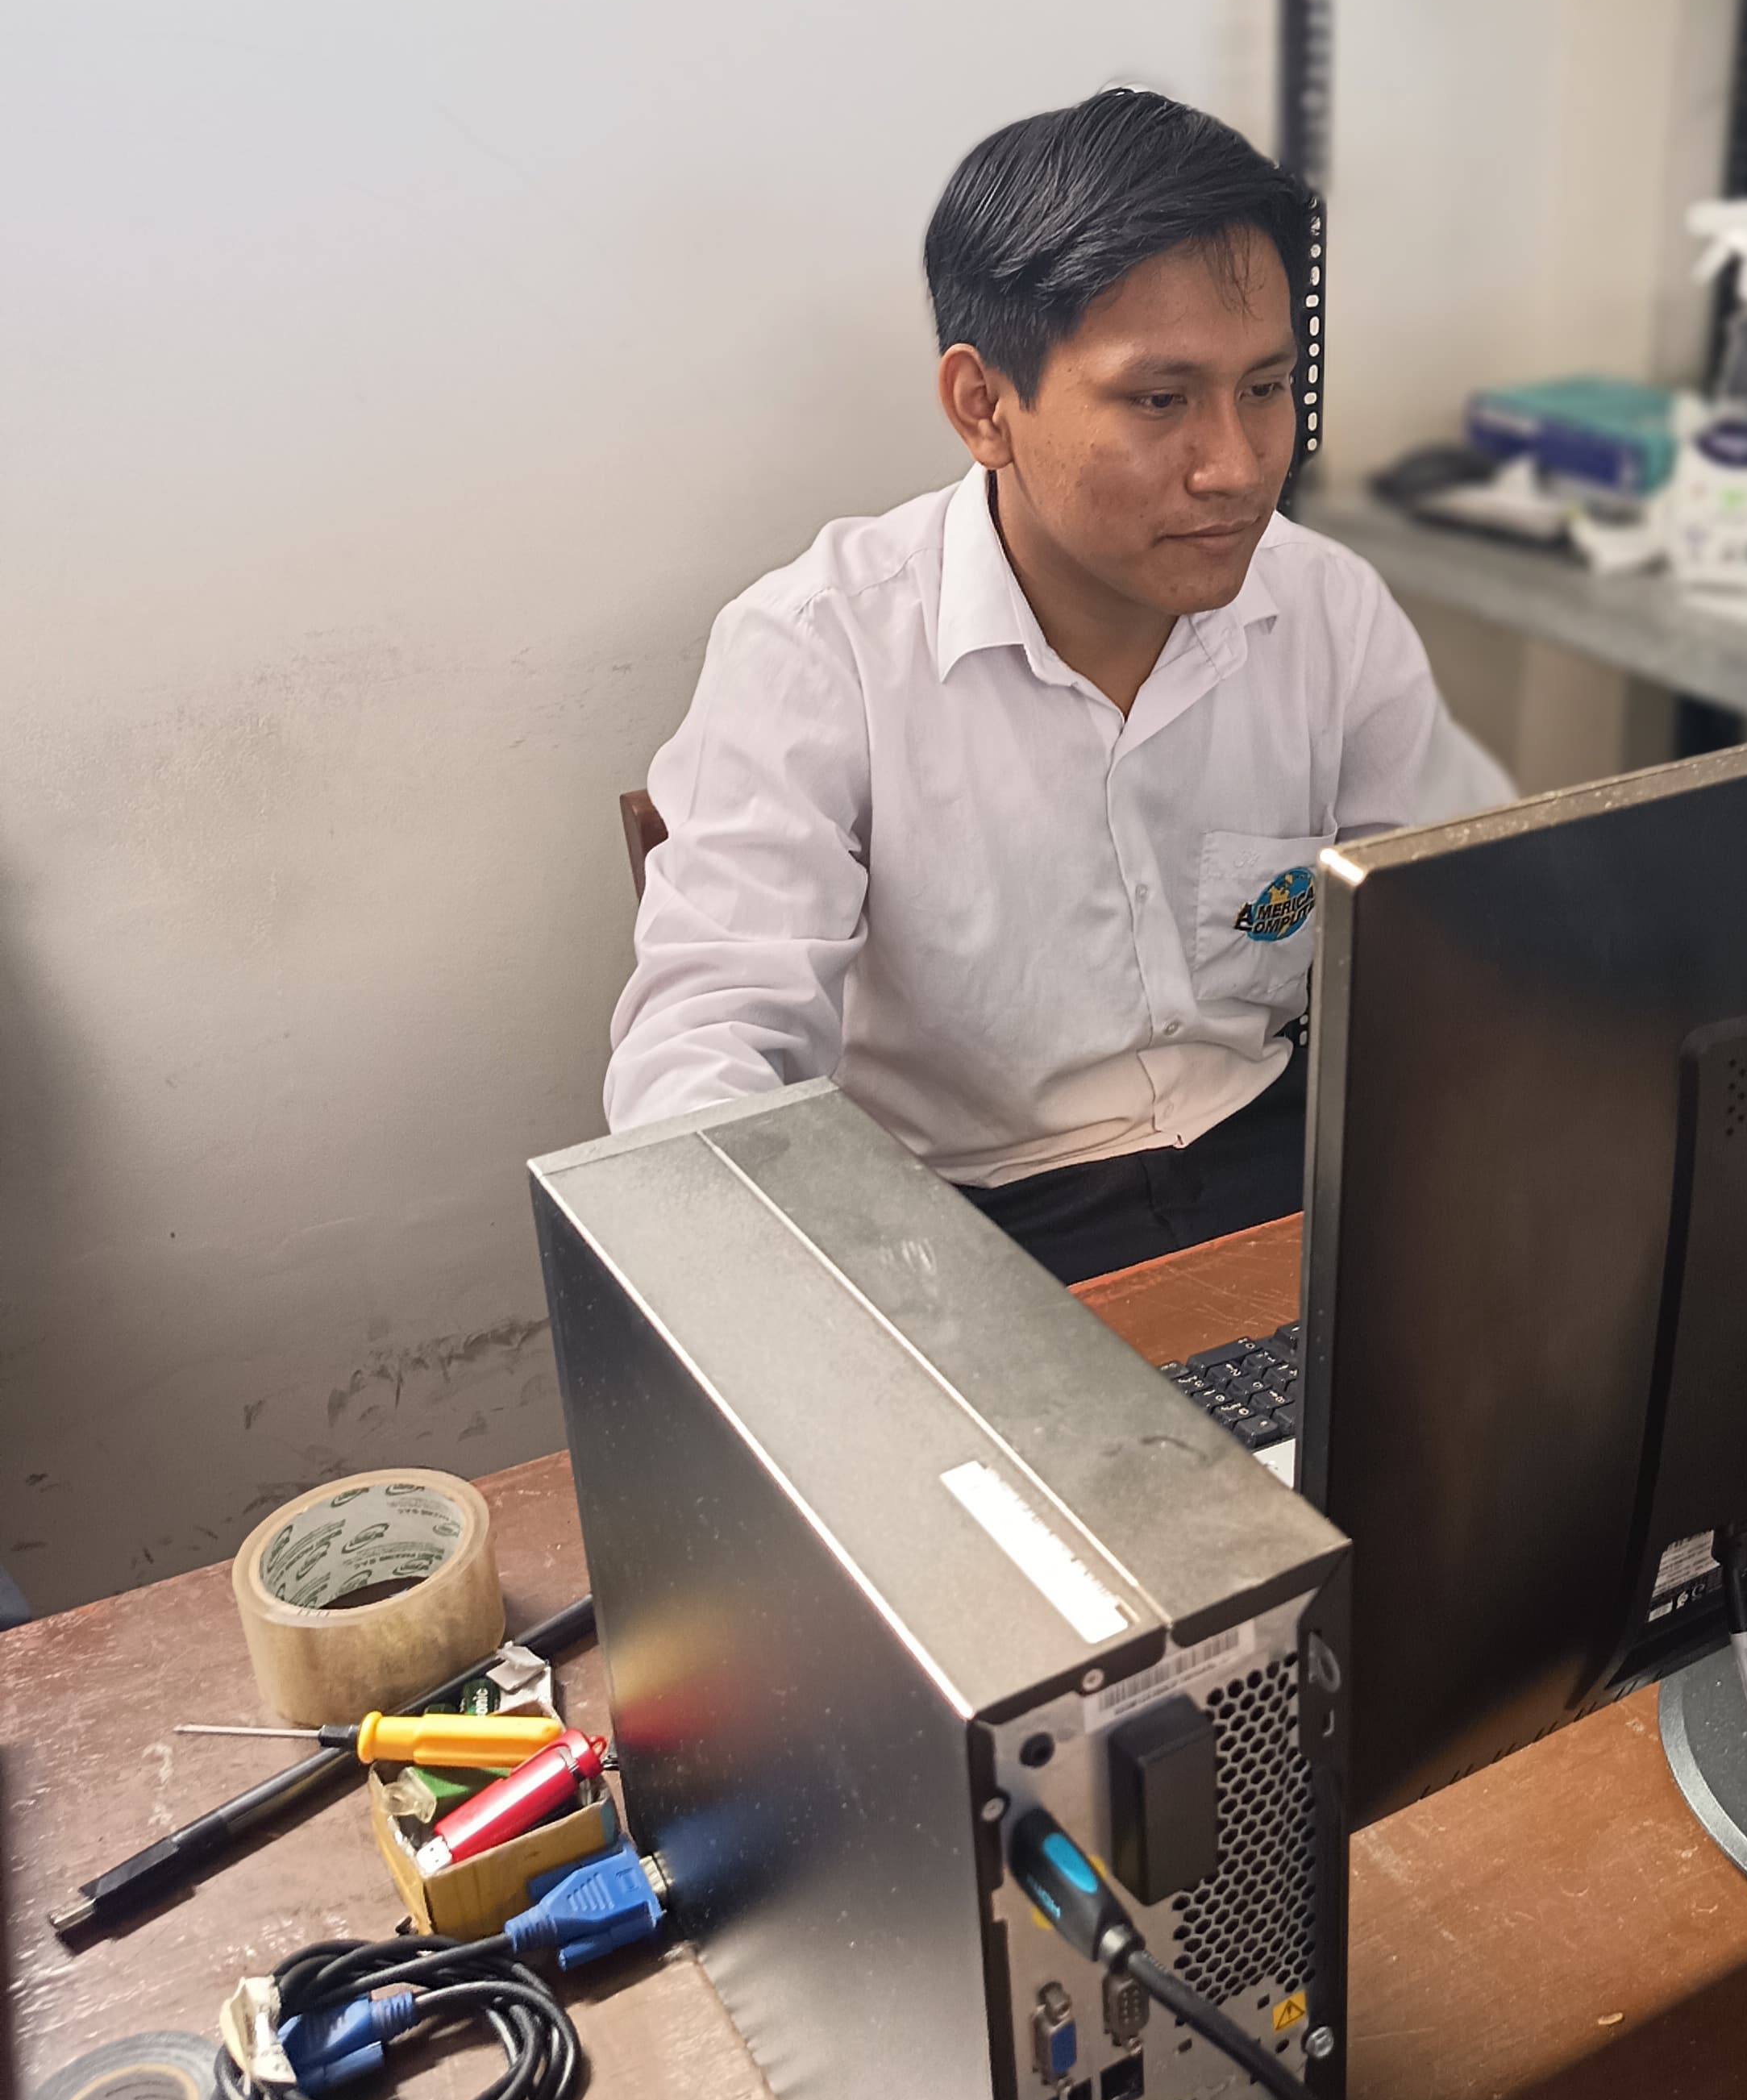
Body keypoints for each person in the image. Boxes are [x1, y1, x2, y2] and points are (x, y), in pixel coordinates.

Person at [605, 88, 1510, 1280]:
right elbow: (708, 1046)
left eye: (1264, 388)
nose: (1238, 466)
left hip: (1281, 1160)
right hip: (968, 1221)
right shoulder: (820, 649)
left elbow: (1463, 925)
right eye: (1160, 400)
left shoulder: (1325, 605)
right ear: (984, 406)